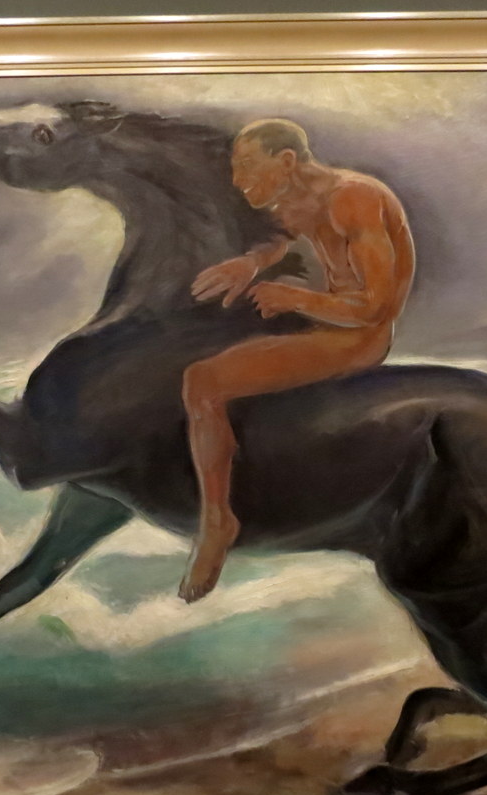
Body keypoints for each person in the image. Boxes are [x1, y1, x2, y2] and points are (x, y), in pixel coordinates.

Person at [179, 118, 416, 602]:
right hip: (330, 319)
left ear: (286, 161)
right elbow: (284, 236)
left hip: (358, 336)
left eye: (248, 166)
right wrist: (251, 263)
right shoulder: (301, 198)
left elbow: (377, 308)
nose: (237, 180)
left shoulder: (355, 198)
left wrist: (295, 298)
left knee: (202, 381)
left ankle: (218, 522)